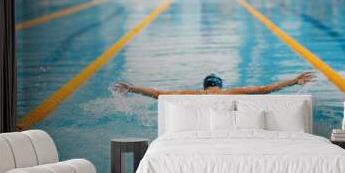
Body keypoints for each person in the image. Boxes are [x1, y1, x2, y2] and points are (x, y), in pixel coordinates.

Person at [113, 72, 315, 99]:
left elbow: (157, 94)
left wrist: (132, 88)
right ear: (219, 85)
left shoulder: (193, 95)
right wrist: (294, 81)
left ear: (204, 87)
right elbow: (266, 89)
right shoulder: (232, 92)